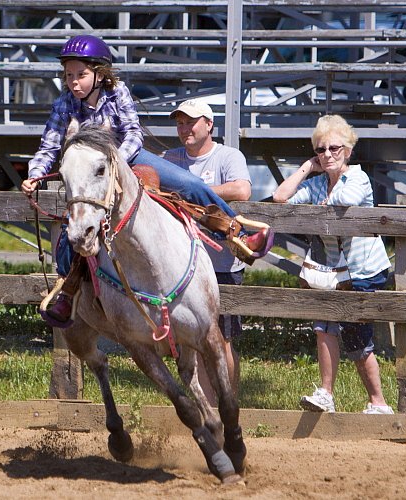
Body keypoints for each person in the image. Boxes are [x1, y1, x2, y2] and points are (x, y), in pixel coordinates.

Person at [20, 34, 273, 326]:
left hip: (129, 159)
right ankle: (68, 292)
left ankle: (237, 233)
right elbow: (49, 146)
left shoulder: (118, 93)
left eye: (81, 74)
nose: (73, 81)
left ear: (100, 75)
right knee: (72, 232)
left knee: (191, 185)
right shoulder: (63, 103)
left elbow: (133, 134)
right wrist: (35, 174)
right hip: (89, 175)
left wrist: (116, 164)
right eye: (68, 75)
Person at [273, 114, 393, 415]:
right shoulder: (317, 182)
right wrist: (307, 169)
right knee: (323, 325)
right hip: (333, 271)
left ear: (348, 150)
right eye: (320, 150)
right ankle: (326, 393)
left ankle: (378, 402)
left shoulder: (359, 177)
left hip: (364, 269)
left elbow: (346, 200)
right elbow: (280, 197)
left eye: (334, 148)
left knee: (356, 336)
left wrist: (323, 199)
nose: (327, 155)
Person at [163, 99, 250, 403]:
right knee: (194, 340)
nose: (184, 128)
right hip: (182, 267)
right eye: (180, 123)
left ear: (209, 125)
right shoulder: (170, 158)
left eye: (191, 122)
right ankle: (207, 406)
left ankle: (227, 401)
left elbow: (242, 190)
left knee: (222, 340)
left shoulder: (228, 156)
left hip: (221, 265)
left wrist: (191, 189)